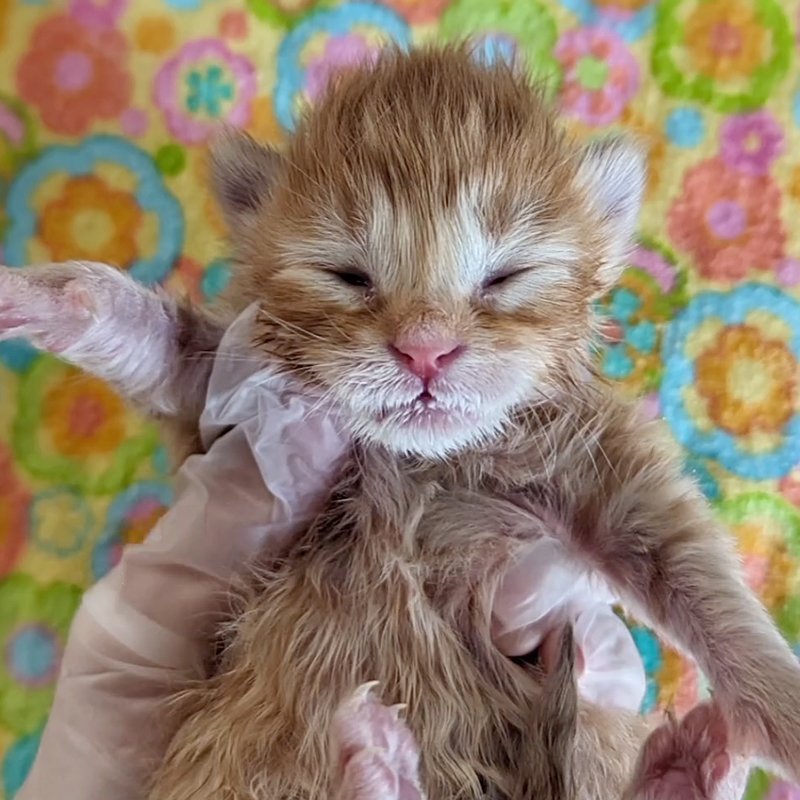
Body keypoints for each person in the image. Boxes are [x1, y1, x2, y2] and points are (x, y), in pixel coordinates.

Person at [17, 307, 645, 800]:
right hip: (280, 731)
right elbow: (186, 361)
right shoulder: (272, 354)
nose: (424, 344)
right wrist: (87, 315)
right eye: (351, 277)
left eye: (500, 282)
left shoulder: (555, 407)